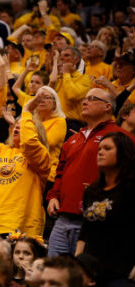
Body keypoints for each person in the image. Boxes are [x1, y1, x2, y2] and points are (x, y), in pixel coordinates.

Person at [46, 89, 135, 257]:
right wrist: (53, 196)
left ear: (108, 106)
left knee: (87, 277)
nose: (85, 102)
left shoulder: (122, 137)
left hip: (99, 221)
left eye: (92, 99)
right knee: (55, 277)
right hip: (62, 219)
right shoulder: (73, 138)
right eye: (84, 98)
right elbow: (60, 172)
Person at [0, 91, 51, 236]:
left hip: (20, 228)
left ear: (35, 131)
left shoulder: (40, 158)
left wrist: (26, 111)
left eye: (23, 126)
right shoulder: (0, 150)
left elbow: (29, 143)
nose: (17, 128)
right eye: (16, 126)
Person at [75, 132, 135, 285]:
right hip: (91, 272)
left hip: (121, 272)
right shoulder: (91, 191)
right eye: (99, 149)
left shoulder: (130, 190)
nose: (100, 152)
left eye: (107, 148)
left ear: (123, 154)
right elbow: (84, 231)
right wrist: (77, 264)